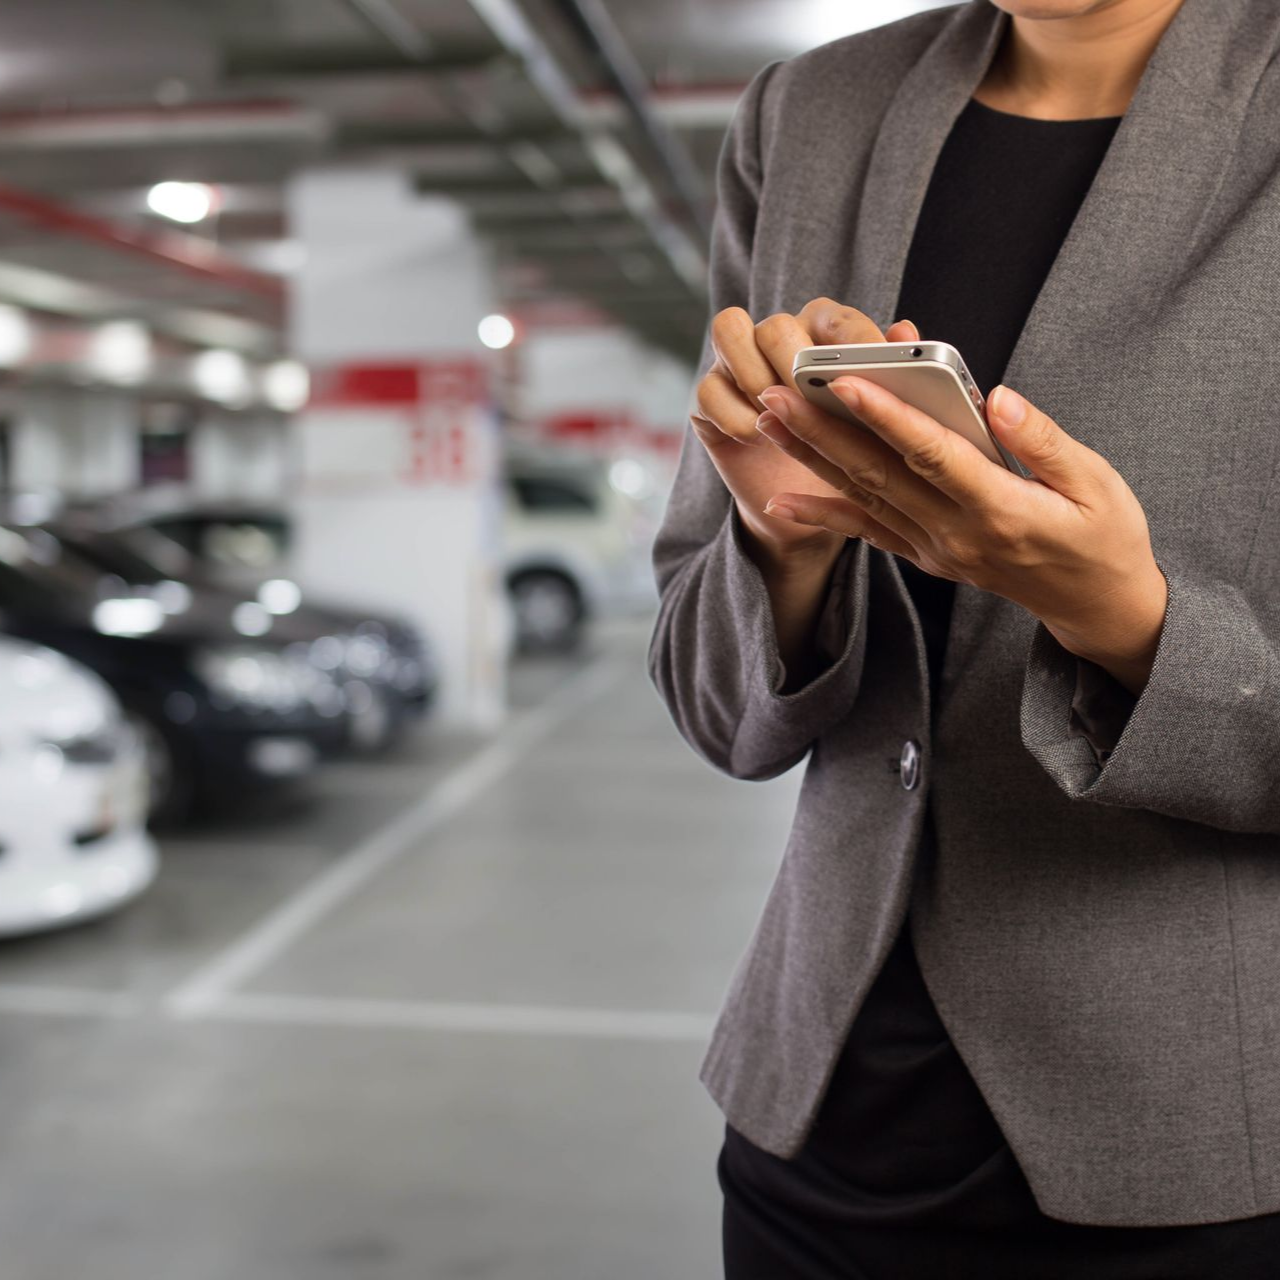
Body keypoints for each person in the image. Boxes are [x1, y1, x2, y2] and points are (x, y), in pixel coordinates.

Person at [647, 0, 1280, 1274]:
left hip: (1196, 1149)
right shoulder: (805, 113)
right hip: (820, 1119)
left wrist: (1124, 620)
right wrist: (780, 545)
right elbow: (715, 707)